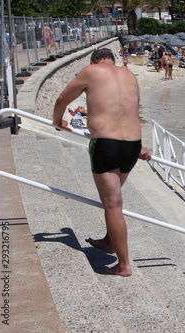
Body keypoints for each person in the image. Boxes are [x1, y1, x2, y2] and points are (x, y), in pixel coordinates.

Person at [52, 48, 151, 277]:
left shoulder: (91, 71)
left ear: (94, 61)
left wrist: (58, 122)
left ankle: (123, 264)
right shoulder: (128, 75)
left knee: (113, 204)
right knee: (113, 197)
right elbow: (131, 111)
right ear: (114, 61)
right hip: (132, 144)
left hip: (106, 144)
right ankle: (109, 241)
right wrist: (140, 146)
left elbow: (62, 99)